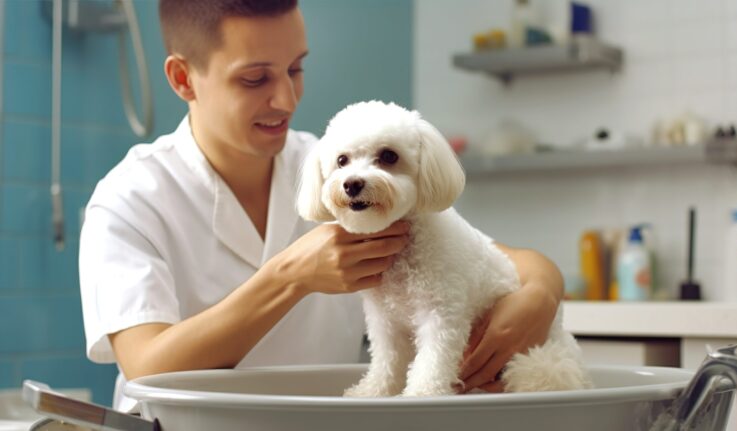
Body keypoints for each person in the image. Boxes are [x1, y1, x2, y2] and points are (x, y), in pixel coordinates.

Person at [79, 0, 565, 412]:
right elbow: (146, 366)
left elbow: (495, 256)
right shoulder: (130, 199)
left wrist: (542, 292)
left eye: (296, 68)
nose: (286, 98)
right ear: (184, 78)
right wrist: (288, 277)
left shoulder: (335, 165)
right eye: (254, 80)